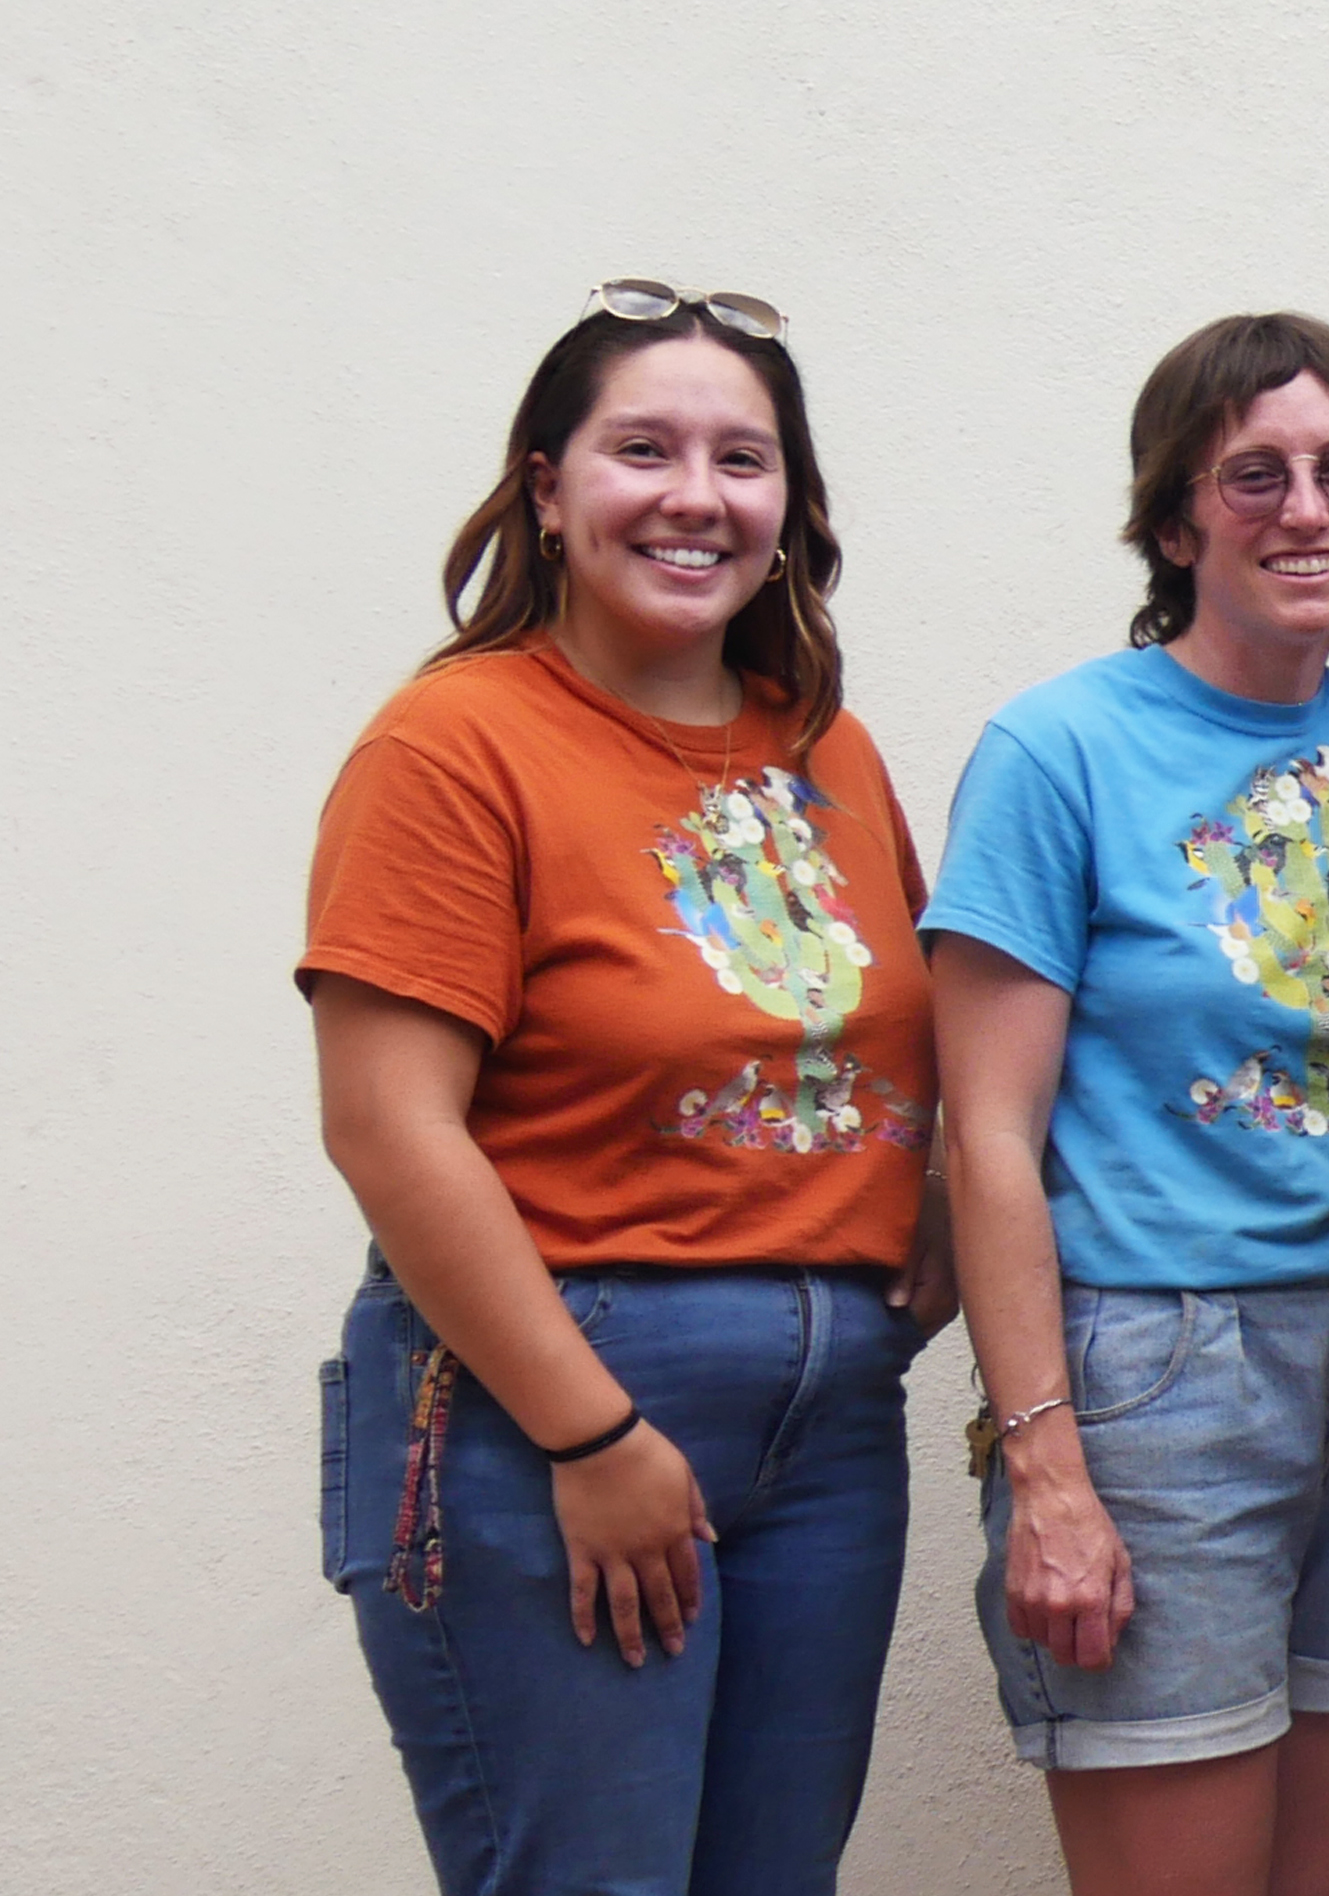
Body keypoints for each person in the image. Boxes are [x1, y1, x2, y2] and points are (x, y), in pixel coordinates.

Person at [307, 279, 949, 1896]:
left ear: (790, 507)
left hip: (825, 1427)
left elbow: (908, 1059)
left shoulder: (823, 748)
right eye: (641, 447)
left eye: (743, 458)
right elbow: (388, 1124)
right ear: (545, 484)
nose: (694, 494)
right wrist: (588, 1433)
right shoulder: (456, 742)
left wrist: (917, 1265)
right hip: (558, 1402)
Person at [928, 312, 1329, 1895]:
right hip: (1157, 1377)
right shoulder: (1058, 751)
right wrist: (1043, 1467)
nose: (1307, 510)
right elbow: (984, 1137)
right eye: (1254, 474)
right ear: (1175, 516)